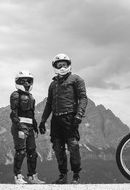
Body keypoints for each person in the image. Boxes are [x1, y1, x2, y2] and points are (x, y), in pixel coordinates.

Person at [39, 53, 88, 184]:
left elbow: (83, 98)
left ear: (68, 65)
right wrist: (43, 120)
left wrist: (79, 114)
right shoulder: (52, 84)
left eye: (64, 64)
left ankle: (76, 174)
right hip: (56, 119)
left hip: (70, 117)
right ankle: (63, 175)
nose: (62, 67)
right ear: (55, 66)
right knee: (57, 147)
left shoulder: (76, 79)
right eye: (59, 65)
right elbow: (49, 103)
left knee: (73, 146)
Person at [10, 70, 45, 184]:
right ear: (18, 82)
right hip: (20, 126)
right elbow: (13, 113)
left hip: (29, 126)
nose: (26, 83)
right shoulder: (15, 95)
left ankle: (32, 176)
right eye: (23, 81)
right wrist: (18, 125)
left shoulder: (31, 97)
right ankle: (17, 176)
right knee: (21, 151)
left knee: (32, 152)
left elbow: (31, 113)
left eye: (29, 81)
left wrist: (35, 126)